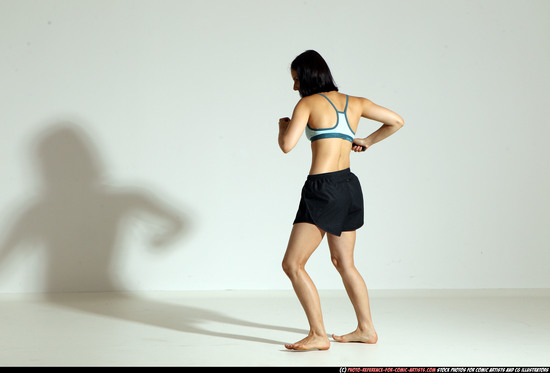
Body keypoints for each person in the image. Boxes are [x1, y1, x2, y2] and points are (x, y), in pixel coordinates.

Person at [278, 50, 404, 351]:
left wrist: (283, 128)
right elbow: (397, 121)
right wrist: (366, 141)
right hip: (349, 185)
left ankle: (318, 335)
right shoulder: (356, 102)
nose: (295, 87)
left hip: (322, 188)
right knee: (344, 262)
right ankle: (366, 329)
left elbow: (286, 146)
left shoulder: (307, 103)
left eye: (296, 80)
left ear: (307, 77)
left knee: (293, 264)